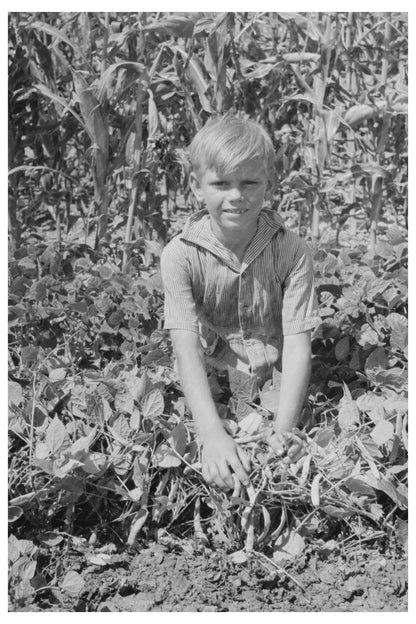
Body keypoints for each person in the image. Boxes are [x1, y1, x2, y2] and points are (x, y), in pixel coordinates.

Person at [160, 115, 319, 491]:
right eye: (220, 184)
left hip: (276, 384)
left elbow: (298, 343)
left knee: (294, 452)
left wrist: (283, 429)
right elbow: (185, 349)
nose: (237, 196)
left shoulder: (292, 251)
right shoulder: (180, 255)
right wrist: (212, 435)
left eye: (250, 182)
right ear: (197, 187)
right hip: (211, 380)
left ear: (269, 184)